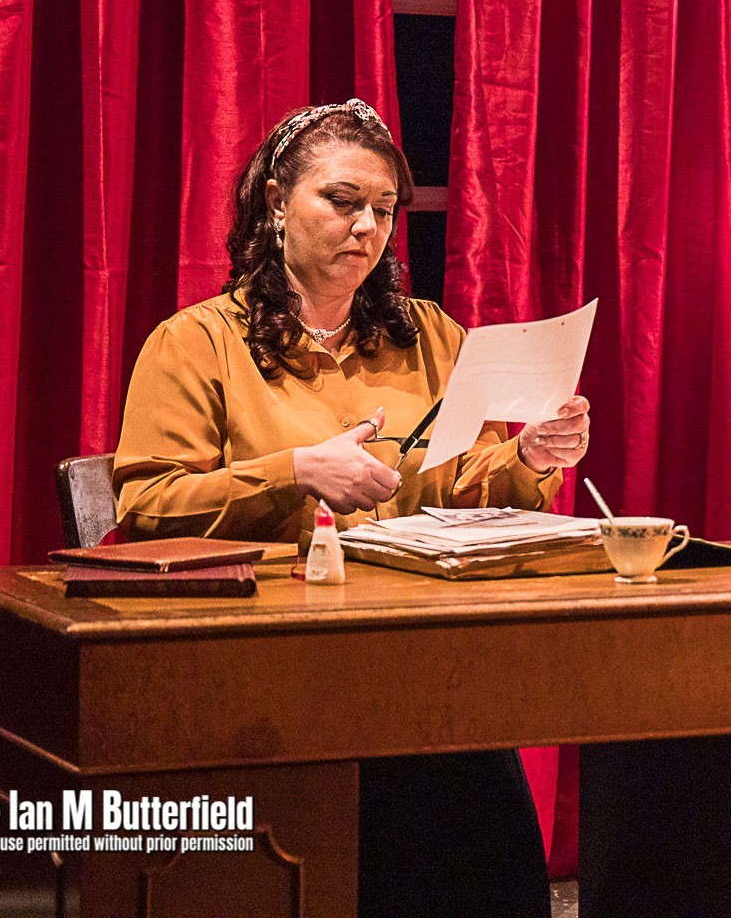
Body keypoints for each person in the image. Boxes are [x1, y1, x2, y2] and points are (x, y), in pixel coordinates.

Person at [112, 99, 590, 917]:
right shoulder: (195, 343)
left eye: (383, 210)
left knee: (488, 837)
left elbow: (449, 482)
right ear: (274, 201)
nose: (366, 226)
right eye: (341, 200)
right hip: (268, 663)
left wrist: (527, 456)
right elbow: (147, 503)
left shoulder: (427, 334)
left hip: (418, 652)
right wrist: (296, 470)